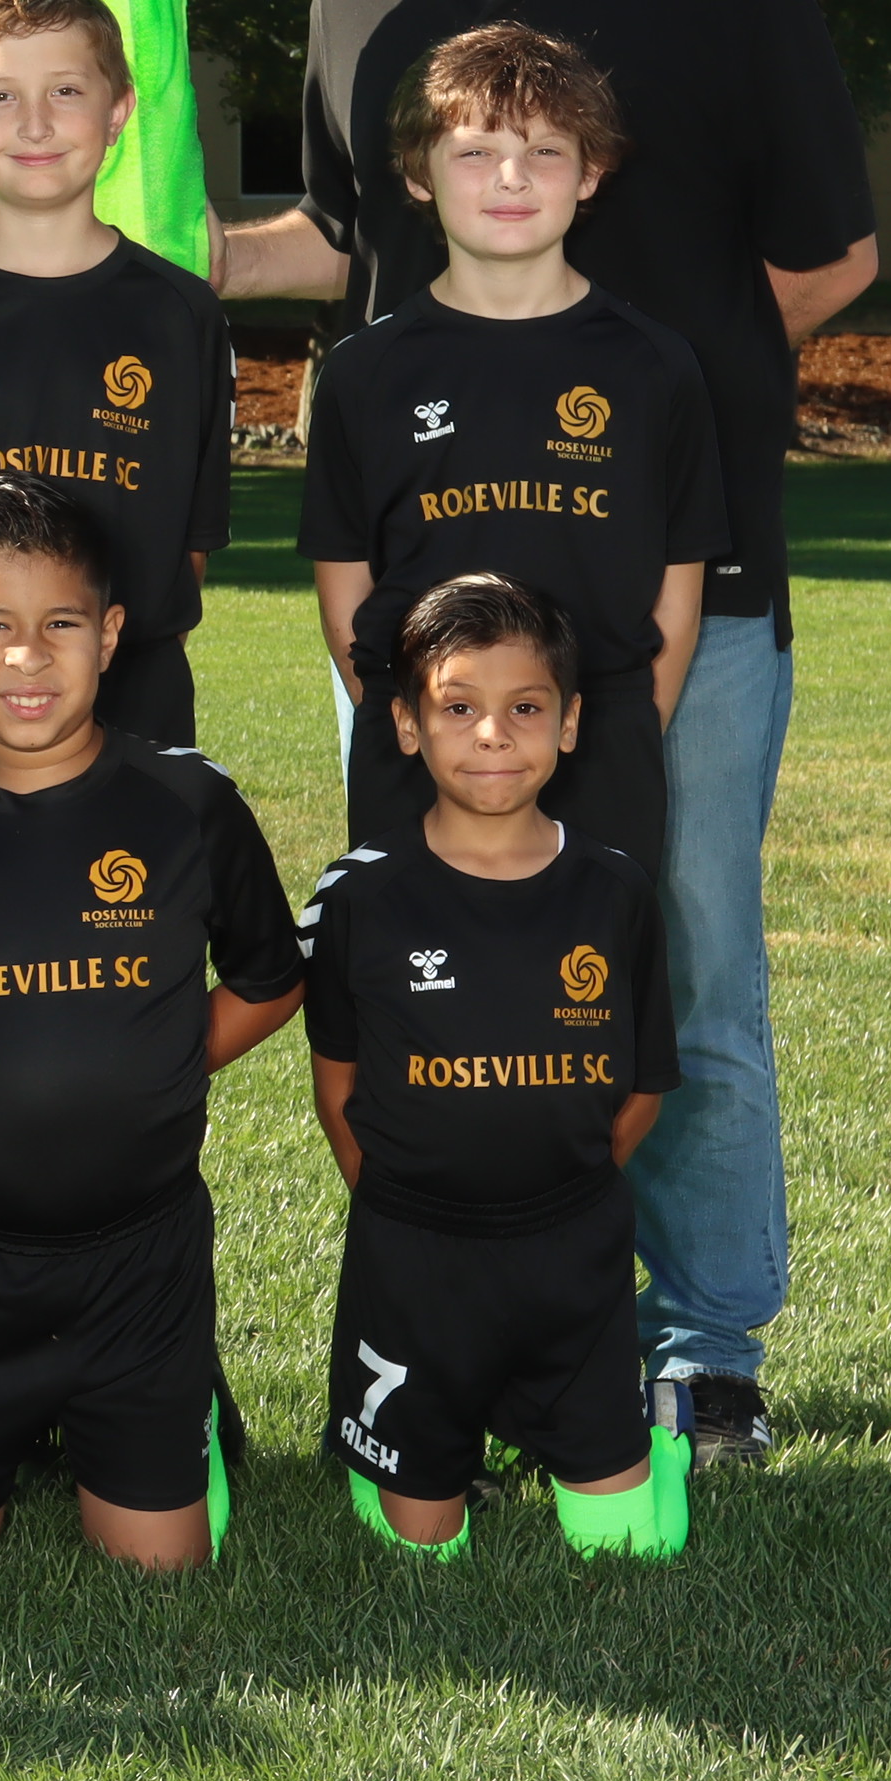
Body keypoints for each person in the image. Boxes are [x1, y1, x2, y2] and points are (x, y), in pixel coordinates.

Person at [218, 0, 883, 1471]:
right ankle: (452, 1332)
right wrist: (157, 246)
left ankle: (706, 1348)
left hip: (679, 592)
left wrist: (664, 401)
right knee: (426, 964)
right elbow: (338, 240)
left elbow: (827, 257)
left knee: (686, 960)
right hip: (415, 620)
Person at [0, 477, 303, 1577]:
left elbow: (271, 977)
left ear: (110, 633)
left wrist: (163, 1057)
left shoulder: (188, 805)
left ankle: (179, 1417)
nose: (28, 655)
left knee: (161, 1571)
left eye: (61, 623)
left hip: (140, 1260)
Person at [297, 572, 687, 1565]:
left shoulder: (614, 890)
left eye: (525, 708)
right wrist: (406, 1203)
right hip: (414, 1255)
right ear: (407, 725)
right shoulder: (361, 896)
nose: (492, 735)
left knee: (627, 1548)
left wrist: (558, 1187)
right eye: (459, 708)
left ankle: (649, 1438)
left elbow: (643, 1087)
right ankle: (410, 1441)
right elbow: (339, 1085)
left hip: (571, 1251)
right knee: (424, 1550)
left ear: (569, 722)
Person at [298, 23, 721, 888]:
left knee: (587, 972)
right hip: (417, 750)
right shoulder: (366, 372)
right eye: (475, 152)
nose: (511, 177)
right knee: (414, 970)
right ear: (418, 174)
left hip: (598, 747)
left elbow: (679, 591)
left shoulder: (653, 365)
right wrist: (426, 726)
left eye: (545, 151)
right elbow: (345, 589)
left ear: (591, 172)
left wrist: (614, 731)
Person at [0, 0, 237, 802]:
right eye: (0, 96)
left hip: (132, 704)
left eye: (65, 91)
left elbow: (190, 546)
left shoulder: (181, 316)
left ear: (118, 110)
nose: (34, 123)